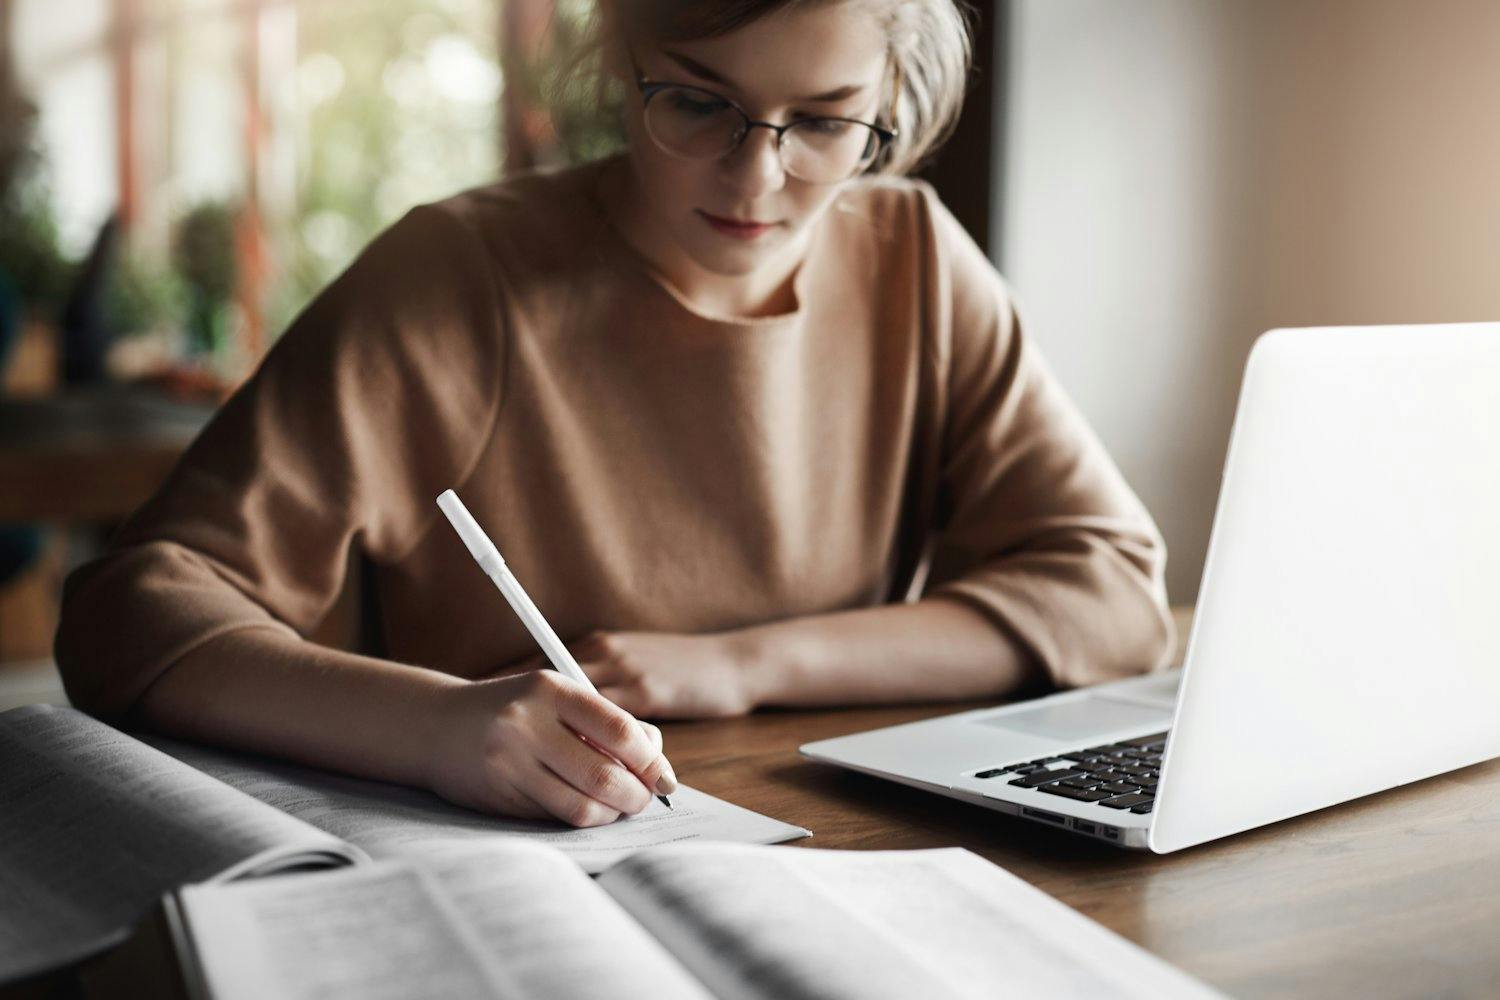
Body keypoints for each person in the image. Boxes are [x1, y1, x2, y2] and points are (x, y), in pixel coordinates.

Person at [55, 0, 1173, 829]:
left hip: (836, 853)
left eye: (826, 125)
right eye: (697, 101)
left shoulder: (917, 261)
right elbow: (128, 618)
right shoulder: (455, 279)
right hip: (510, 869)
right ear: (619, 60)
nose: (753, 178)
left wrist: (744, 664)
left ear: (887, 112)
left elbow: (1116, 597)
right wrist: (435, 725)